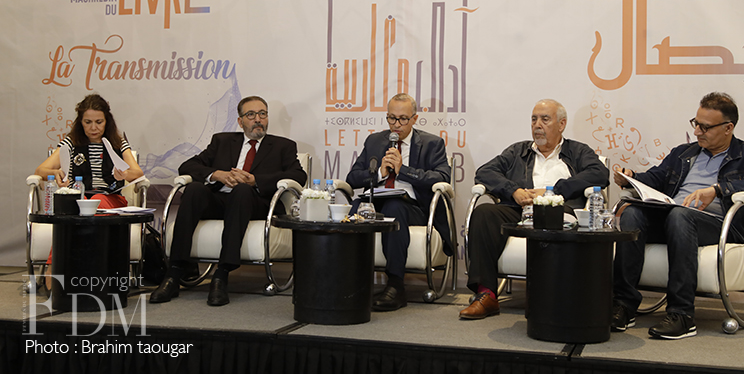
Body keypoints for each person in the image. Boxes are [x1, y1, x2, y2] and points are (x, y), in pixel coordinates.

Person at [611, 92, 744, 339]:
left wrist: (719, 190)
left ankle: (682, 315)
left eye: (705, 127)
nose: (697, 131)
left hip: (720, 225)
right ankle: (623, 306)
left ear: (728, 128)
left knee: (680, 216)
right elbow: (656, 178)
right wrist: (632, 178)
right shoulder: (684, 153)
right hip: (675, 218)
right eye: (696, 123)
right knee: (633, 214)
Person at [150, 96, 307, 306]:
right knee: (194, 190)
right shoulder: (222, 141)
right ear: (240, 121)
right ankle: (174, 273)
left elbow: (298, 175)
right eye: (251, 115)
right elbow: (187, 166)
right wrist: (217, 174)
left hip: (255, 203)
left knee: (241, 191)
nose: (258, 119)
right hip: (220, 200)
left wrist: (255, 180)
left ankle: (222, 274)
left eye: (262, 114)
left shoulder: (282, 146)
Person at [460, 99, 609, 320]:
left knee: (554, 216)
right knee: (484, 213)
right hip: (519, 210)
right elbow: (485, 172)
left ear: (561, 124)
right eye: (534, 119)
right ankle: (486, 295)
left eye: (545, 119)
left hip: (559, 211)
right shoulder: (518, 151)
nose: (537, 125)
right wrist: (514, 190)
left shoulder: (578, 151)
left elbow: (599, 174)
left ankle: (550, 297)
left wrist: (555, 191)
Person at [346, 93, 451, 311]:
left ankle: (395, 285)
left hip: (413, 207)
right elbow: (353, 178)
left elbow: (442, 177)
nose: (396, 125)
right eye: (391, 118)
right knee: (356, 208)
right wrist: (379, 174)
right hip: (376, 201)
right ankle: (350, 281)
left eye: (403, 119)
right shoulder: (374, 141)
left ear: (414, 119)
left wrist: (404, 171)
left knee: (394, 207)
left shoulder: (432, 143)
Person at [35, 94, 144, 209]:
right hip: (78, 197)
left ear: (107, 121)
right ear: (80, 122)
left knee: (97, 202)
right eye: (88, 122)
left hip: (109, 198)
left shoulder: (118, 143)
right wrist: (55, 173)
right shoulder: (71, 142)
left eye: (99, 122)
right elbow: (40, 171)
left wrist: (125, 174)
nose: (93, 128)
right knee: (81, 204)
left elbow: (138, 173)